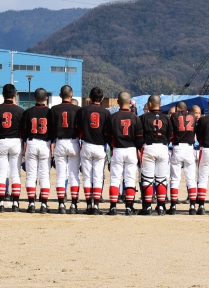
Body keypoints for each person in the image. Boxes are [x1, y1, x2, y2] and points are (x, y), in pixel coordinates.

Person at [105, 91, 143, 215]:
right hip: (131, 150)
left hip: (117, 149)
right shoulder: (135, 118)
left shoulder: (112, 117)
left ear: (118, 102)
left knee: (115, 179)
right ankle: (129, 207)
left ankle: (113, 207)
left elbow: (107, 136)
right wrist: (138, 150)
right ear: (130, 102)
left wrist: (112, 145)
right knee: (130, 179)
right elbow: (139, 138)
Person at [77, 87, 111, 215]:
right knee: (98, 177)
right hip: (99, 146)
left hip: (86, 144)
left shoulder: (83, 111)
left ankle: (88, 205)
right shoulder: (106, 113)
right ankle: (96, 205)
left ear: (90, 98)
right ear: (102, 99)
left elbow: (79, 128)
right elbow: (107, 132)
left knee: (87, 177)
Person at [0, 84, 24, 212]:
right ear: (15, 94)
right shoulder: (20, 111)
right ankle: (15, 203)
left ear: (3, 94)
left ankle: (0, 204)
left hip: (1, 141)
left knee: (1, 173)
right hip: (16, 141)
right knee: (15, 173)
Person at [50, 85, 82, 214]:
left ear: (60, 95)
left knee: (61, 175)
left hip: (60, 142)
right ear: (71, 95)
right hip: (74, 142)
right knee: (74, 175)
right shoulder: (78, 110)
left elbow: (51, 128)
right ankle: (73, 205)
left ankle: (61, 204)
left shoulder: (54, 109)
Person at [20, 88, 52, 214]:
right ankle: (43, 204)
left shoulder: (28, 112)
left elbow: (23, 131)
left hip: (31, 143)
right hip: (45, 144)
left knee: (31, 175)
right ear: (46, 98)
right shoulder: (50, 112)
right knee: (44, 175)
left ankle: (31, 204)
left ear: (35, 98)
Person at [139, 95, 172, 215]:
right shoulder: (166, 117)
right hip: (163, 147)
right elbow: (170, 135)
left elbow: (139, 135)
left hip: (148, 147)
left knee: (147, 178)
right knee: (161, 178)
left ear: (149, 104)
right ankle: (161, 206)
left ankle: (147, 207)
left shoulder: (143, 117)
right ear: (160, 104)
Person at [168, 101, 197, 215]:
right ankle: (192, 206)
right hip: (189, 148)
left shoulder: (175, 116)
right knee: (191, 179)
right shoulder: (193, 116)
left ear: (178, 109)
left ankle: (173, 206)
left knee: (175, 178)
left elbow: (171, 131)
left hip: (178, 147)